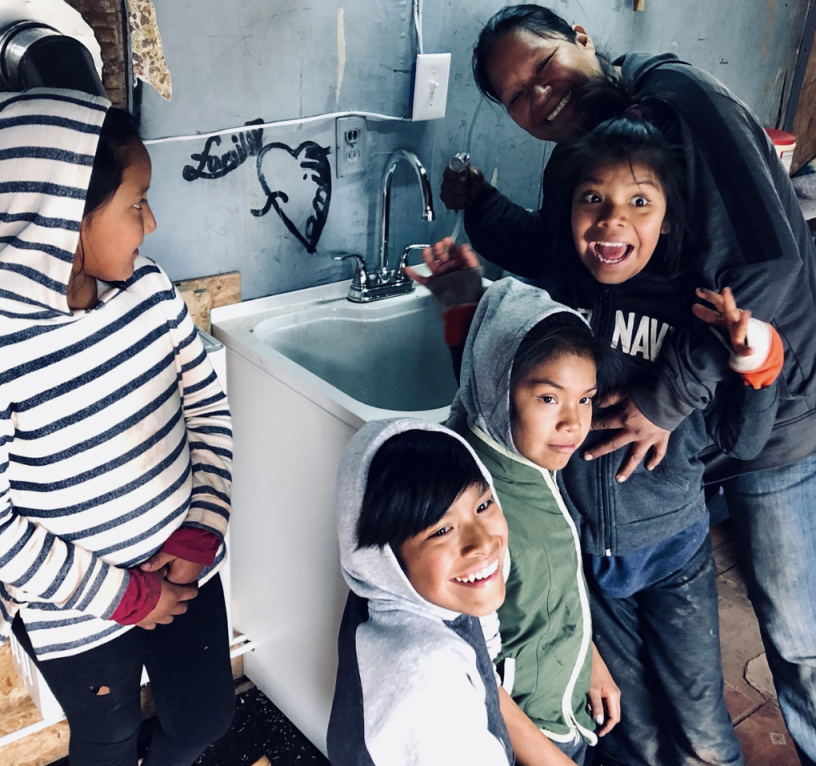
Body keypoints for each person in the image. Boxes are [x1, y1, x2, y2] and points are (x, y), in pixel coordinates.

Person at [439, 6, 816, 764]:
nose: (539, 98)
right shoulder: (596, 148)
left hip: (774, 401)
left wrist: (663, 399)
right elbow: (567, 258)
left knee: (799, 637)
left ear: (580, 36)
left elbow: (763, 269)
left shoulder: (677, 100)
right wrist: (479, 209)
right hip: (687, 448)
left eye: (541, 68)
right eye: (516, 97)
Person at [411, 99, 785, 765]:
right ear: (570, 210)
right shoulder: (552, 298)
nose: (614, 218)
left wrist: (753, 355)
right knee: (627, 730)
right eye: (594, 198)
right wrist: (462, 303)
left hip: (675, 553)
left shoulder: (692, 313)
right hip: (590, 564)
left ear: (668, 212)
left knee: (702, 729)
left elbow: (743, 438)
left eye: (640, 201)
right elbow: (493, 392)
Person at [0, 89, 235, 766]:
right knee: (107, 741)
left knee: (205, 717)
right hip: (76, 611)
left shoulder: (147, 292)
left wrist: (202, 526)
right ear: (59, 218)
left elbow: (206, 405)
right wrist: (126, 595)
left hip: (187, 567)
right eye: (134, 202)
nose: (150, 222)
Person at [444, 277, 617, 766]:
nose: (573, 423)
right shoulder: (473, 500)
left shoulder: (527, 461)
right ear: (499, 386)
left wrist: (591, 663)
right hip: (520, 735)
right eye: (548, 398)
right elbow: (468, 660)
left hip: (561, 701)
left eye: (585, 398)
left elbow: (551, 589)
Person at [327, 419, 516, 766]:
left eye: (483, 505)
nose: (483, 542)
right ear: (384, 557)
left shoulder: (392, 597)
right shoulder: (427, 681)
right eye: (442, 529)